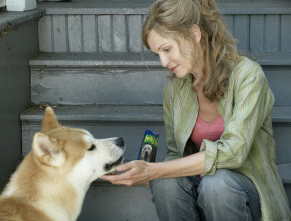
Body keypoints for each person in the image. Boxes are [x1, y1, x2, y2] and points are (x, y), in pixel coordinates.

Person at [100, 0, 291, 220]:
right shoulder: (176, 88)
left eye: (167, 49)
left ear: (194, 33)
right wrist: (148, 170)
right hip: (201, 191)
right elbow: (175, 152)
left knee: (216, 185)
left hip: (246, 194)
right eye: (157, 54)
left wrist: (153, 170)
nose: (163, 62)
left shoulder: (248, 76)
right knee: (165, 183)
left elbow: (234, 153)